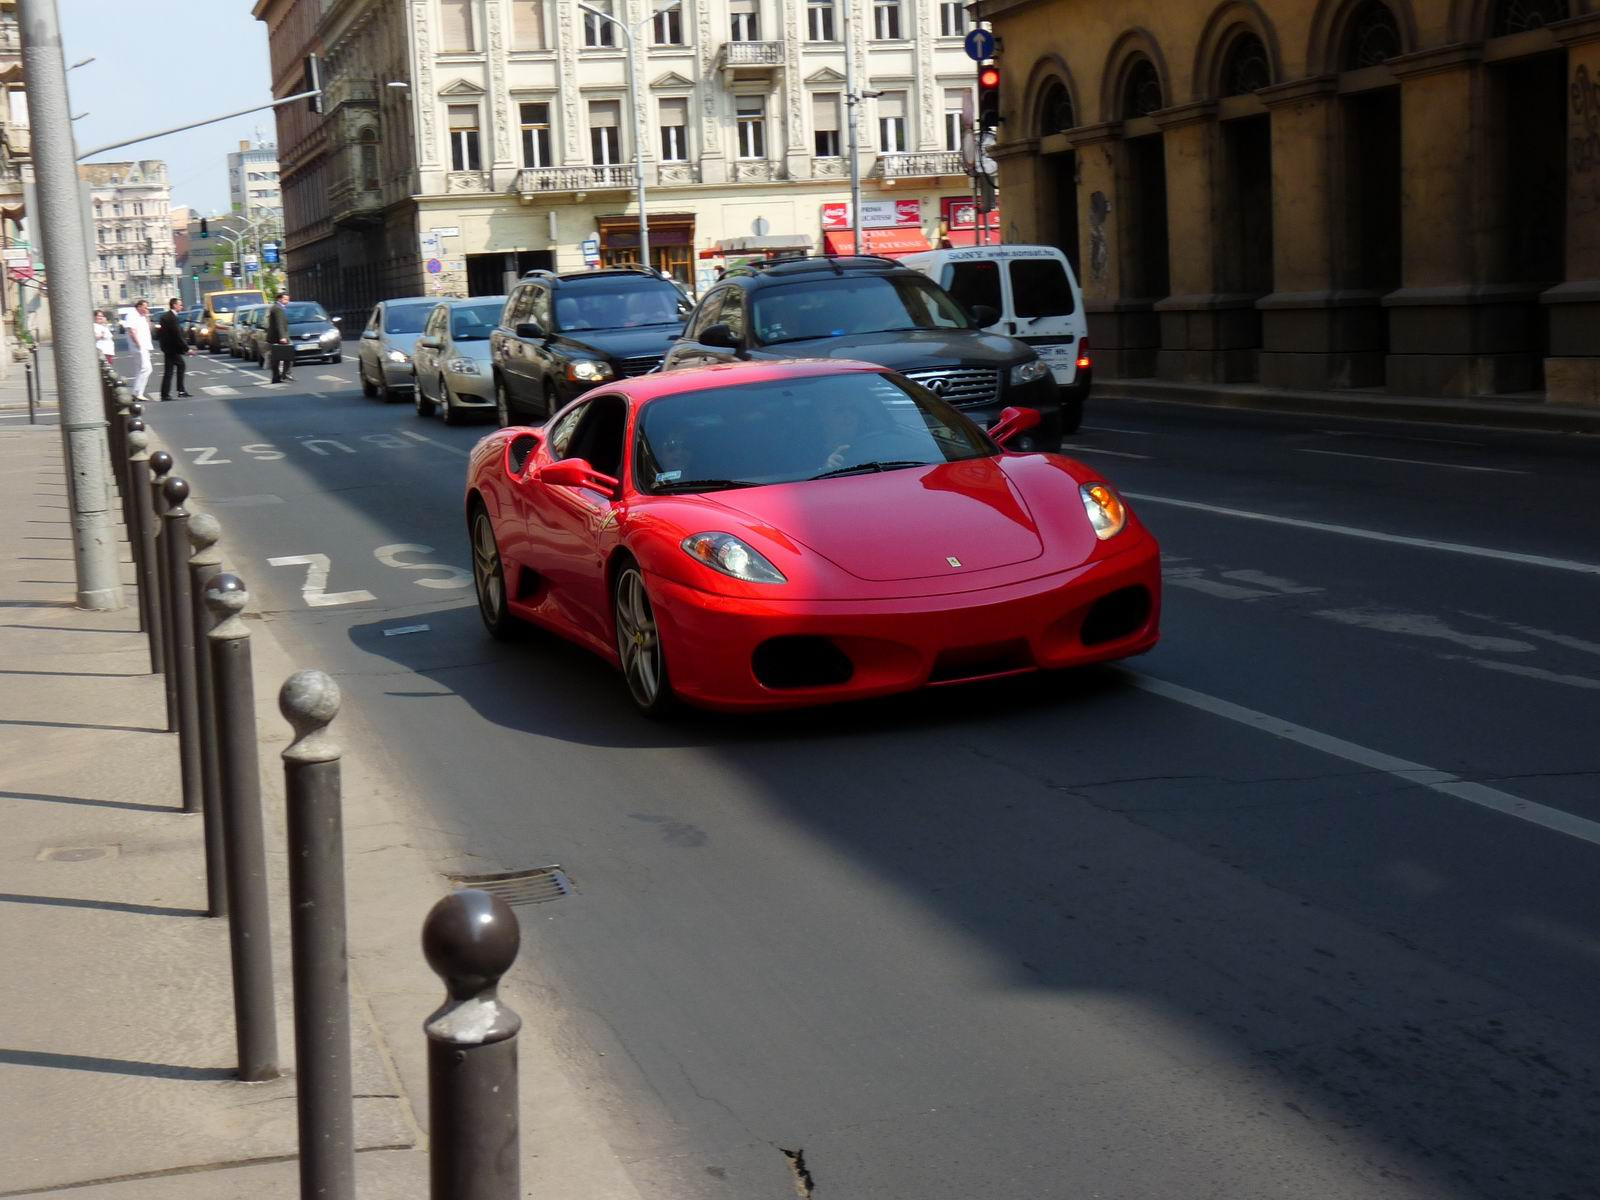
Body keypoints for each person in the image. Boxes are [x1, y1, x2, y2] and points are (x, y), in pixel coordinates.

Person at [157, 298, 193, 400]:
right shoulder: (171, 318)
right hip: (172, 349)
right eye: (180, 305)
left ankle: (169, 392)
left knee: (169, 371)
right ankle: (175, 392)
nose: (181, 307)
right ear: (174, 305)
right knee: (178, 366)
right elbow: (177, 335)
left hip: (168, 348)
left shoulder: (167, 316)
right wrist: (187, 349)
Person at [124, 299, 154, 400]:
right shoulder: (132, 315)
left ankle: (136, 392)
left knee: (140, 369)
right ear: (139, 306)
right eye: (145, 307)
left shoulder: (142, 316)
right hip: (139, 346)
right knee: (147, 368)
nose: (146, 309)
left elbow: (149, 328)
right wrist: (138, 344)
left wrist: (147, 317)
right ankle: (138, 392)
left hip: (145, 345)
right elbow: (132, 331)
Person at [265, 291, 293, 383]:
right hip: (279, 337)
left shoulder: (275, 307)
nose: (287, 301)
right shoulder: (278, 308)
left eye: (288, 299)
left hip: (274, 337)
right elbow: (279, 323)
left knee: (276, 358)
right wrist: (282, 337)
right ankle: (285, 374)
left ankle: (277, 377)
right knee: (287, 356)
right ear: (279, 299)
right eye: (285, 299)